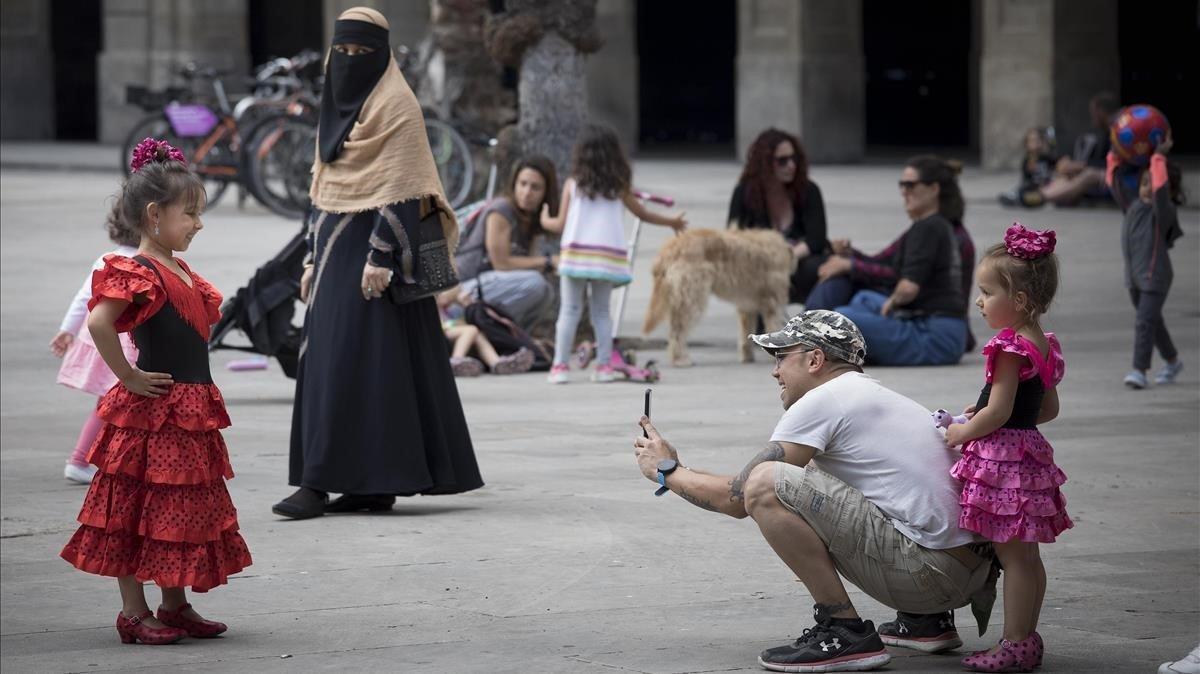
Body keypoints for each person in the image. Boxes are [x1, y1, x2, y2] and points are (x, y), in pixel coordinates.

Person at [632, 310, 995, 673]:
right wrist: (681, 468)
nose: (775, 371)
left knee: (767, 482)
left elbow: (739, 496)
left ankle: (843, 630)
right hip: (967, 574)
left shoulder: (824, 400)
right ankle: (924, 622)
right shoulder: (874, 397)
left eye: (781, 357)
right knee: (805, 473)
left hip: (929, 574)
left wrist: (668, 473)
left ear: (815, 359)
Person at [273, 7, 483, 520]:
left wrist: (381, 256)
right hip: (330, 255)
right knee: (328, 362)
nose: (348, 61)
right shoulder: (334, 104)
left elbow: (405, 186)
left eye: (360, 52)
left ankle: (325, 484)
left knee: (366, 366)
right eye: (341, 51)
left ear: (381, 54)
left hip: (374, 257)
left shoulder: (396, 104)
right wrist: (309, 259)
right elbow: (320, 190)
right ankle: (358, 484)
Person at [59, 138, 251, 645]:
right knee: (133, 509)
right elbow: (101, 324)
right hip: (154, 413)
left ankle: (174, 603)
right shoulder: (137, 271)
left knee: (175, 511)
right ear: (153, 214)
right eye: (189, 214)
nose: (198, 224)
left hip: (188, 411)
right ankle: (133, 612)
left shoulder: (179, 268)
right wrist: (127, 376)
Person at [945, 223, 1071, 671]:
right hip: (1030, 456)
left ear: (1017, 300)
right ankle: (1027, 639)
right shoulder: (1042, 343)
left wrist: (965, 430)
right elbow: (1046, 408)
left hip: (1005, 462)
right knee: (1029, 558)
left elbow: (997, 413)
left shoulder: (1008, 346)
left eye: (985, 293)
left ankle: (1015, 643)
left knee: (1012, 556)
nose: (978, 302)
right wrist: (1000, 413)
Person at [540, 123, 686, 384]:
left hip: (576, 256)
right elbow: (643, 213)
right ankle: (604, 366)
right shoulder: (618, 187)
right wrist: (671, 222)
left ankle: (560, 366)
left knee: (570, 310)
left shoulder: (573, 185)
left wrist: (544, 220)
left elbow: (560, 224)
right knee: (602, 312)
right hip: (606, 259)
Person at [816, 157, 969, 365]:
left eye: (910, 185)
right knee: (864, 299)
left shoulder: (929, 228)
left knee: (842, 319)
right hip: (940, 327)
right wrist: (851, 255)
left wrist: (892, 302)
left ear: (934, 189)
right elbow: (885, 261)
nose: (904, 191)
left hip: (935, 335)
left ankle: (821, 345)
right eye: (902, 185)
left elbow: (908, 287)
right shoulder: (934, 226)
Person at [51, 228, 139, 484]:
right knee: (111, 403)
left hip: (106, 341)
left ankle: (96, 459)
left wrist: (67, 329)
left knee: (112, 402)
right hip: (121, 344)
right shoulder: (145, 262)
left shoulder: (107, 257)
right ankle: (79, 460)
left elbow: (83, 297)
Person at [1107, 132, 1185, 389]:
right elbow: (1115, 185)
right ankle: (1173, 361)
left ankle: (1139, 370)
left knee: (1144, 322)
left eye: (1152, 183)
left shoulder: (1163, 212)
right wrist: (1114, 156)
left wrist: (1159, 158)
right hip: (1135, 278)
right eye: (1143, 183)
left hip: (1156, 277)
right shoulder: (1133, 208)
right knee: (1153, 322)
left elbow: (1161, 191)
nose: (1148, 188)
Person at [456, 155, 560, 331]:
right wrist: (549, 261)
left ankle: (511, 340)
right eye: (523, 184)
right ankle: (495, 332)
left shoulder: (531, 219)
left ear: (546, 192)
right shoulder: (501, 209)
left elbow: (527, 263)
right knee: (536, 284)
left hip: (495, 287)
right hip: (463, 290)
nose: (527, 193)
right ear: (514, 184)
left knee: (547, 293)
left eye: (535, 187)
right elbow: (501, 263)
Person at [727, 128, 830, 303]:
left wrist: (787, 257)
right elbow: (732, 237)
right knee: (758, 280)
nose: (791, 166)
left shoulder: (809, 190)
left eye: (794, 158)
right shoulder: (745, 193)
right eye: (782, 161)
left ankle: (810, 325)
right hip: (759, 265)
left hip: (799, 261)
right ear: (765, 163)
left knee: (820, 269)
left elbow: (816, 239)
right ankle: (760, 330)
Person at [1034, 92, 1119, 207]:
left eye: (1093, 112)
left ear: (1101, 112)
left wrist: (1081, 165)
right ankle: (1039, 192)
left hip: (1116, 175)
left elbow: (1112, 164)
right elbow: (1102, 159)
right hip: (1105, 172)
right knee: (1071, 172)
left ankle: (1041, 198)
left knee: (1089, 174)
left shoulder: (1117, 132)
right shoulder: (1107, 131)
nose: (1092, 117)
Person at [997, 127, 1057, 208]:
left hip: (1046, 187)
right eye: (1032, 141)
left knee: (1045, 192)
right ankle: (1018, 198)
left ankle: (1021, 199)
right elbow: (1027, 177)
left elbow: (1056, 164)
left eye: (1037, 140)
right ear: (1027, 144)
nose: (1035, 143)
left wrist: (1049, 143)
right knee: (1022, 191)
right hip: (1031, 187)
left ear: (1042, 141)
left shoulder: (1046, 158)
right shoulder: (1027, 160)